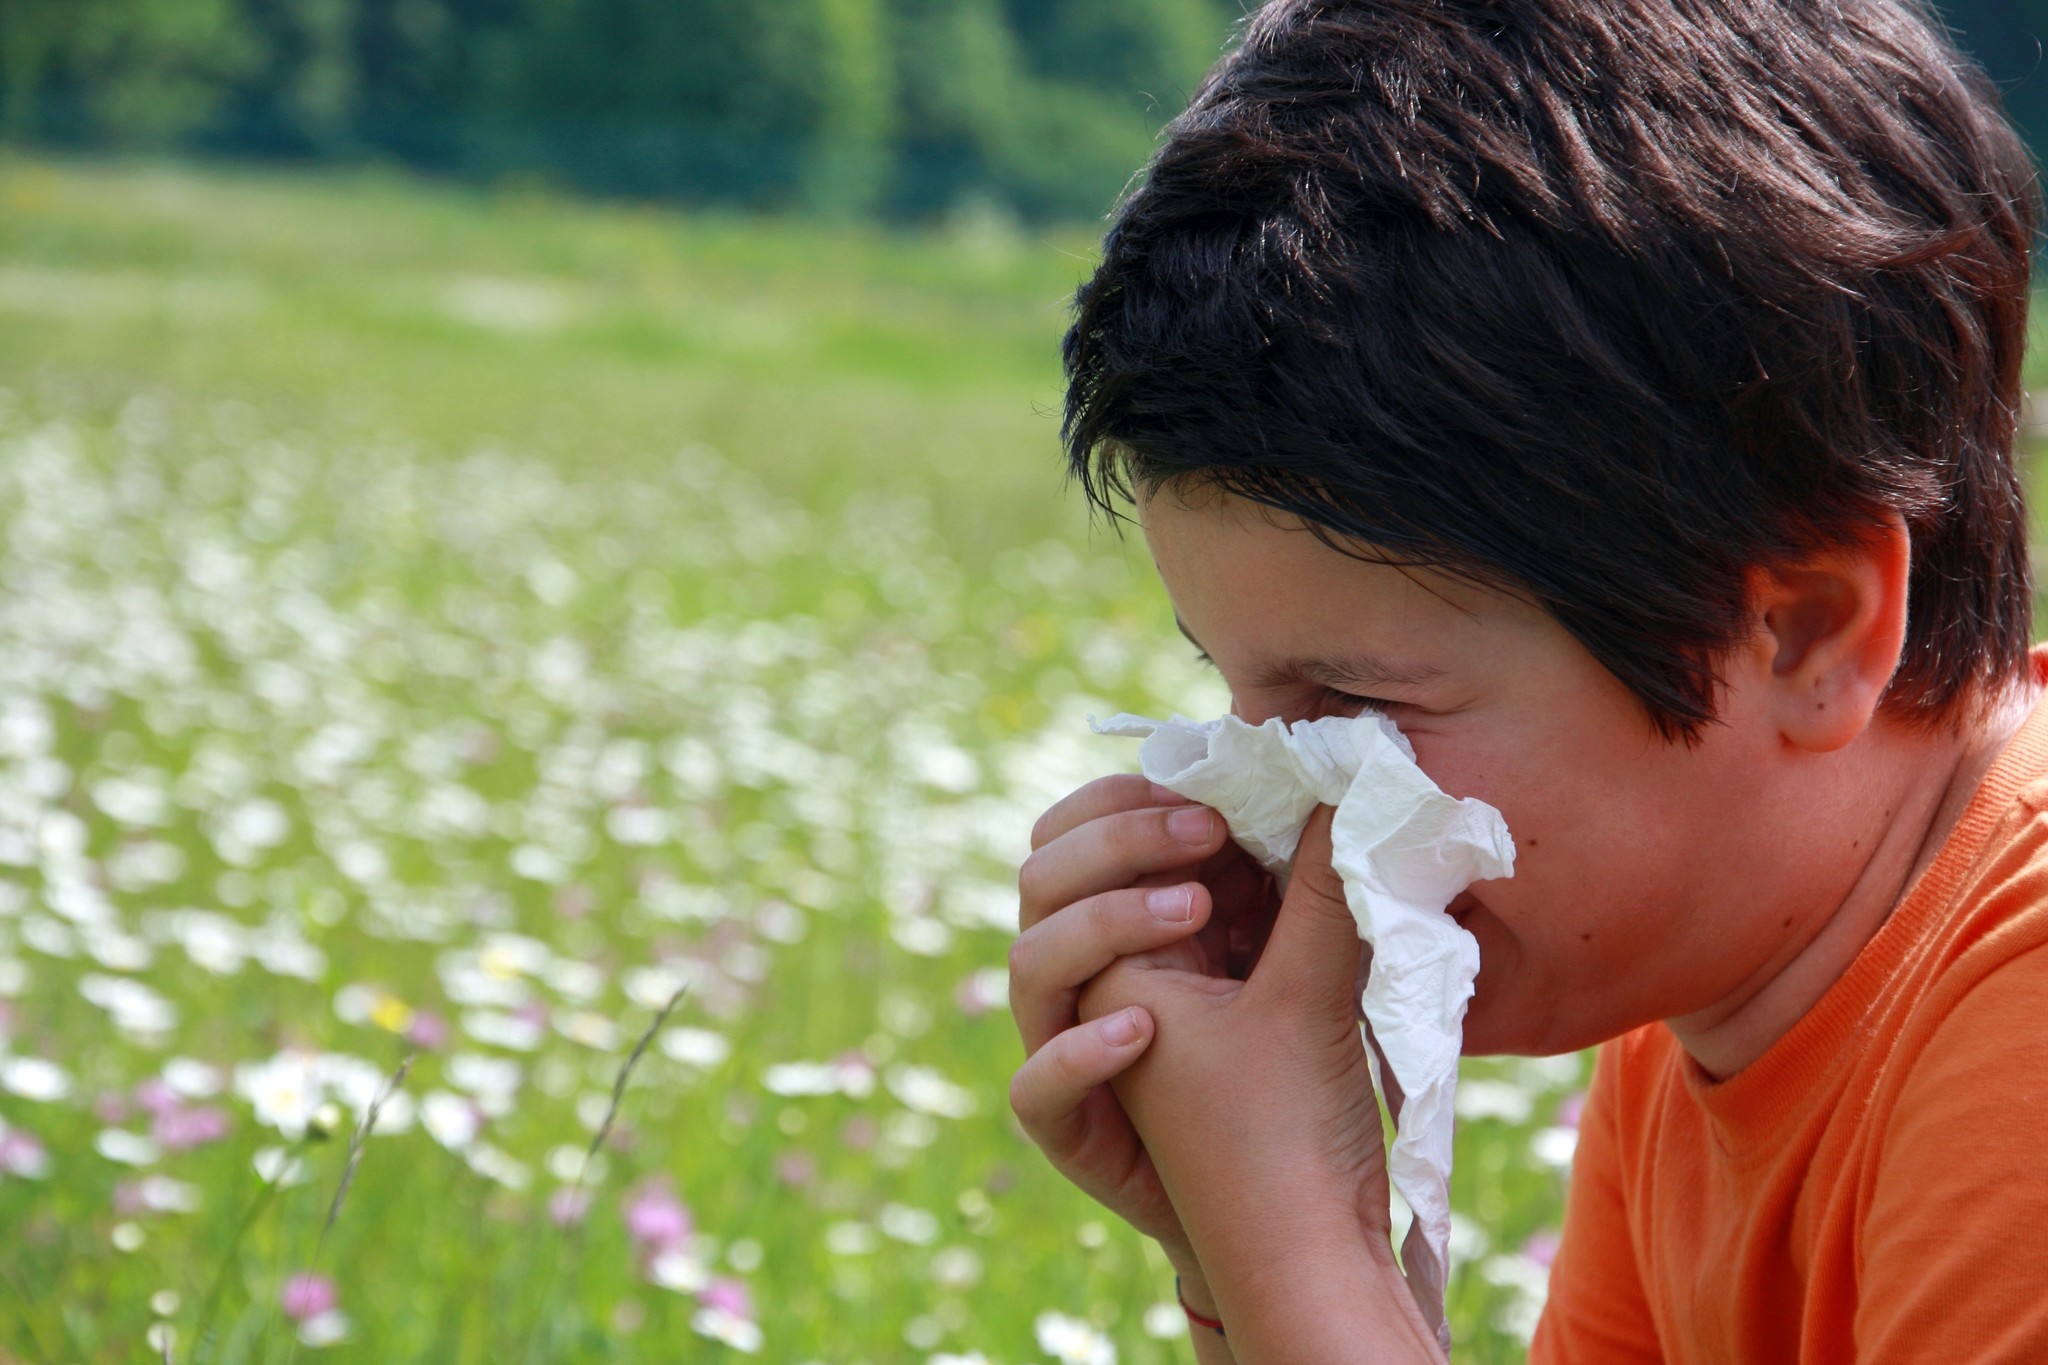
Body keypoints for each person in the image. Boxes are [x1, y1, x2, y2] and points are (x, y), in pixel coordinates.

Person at [1006, 1, 2048, 1360]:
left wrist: (1288, 1235)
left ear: (1802, 634)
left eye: (1359, 705)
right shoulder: (1712, 984)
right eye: (1237, 694)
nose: (1277, 816)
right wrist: (1235, 1255)